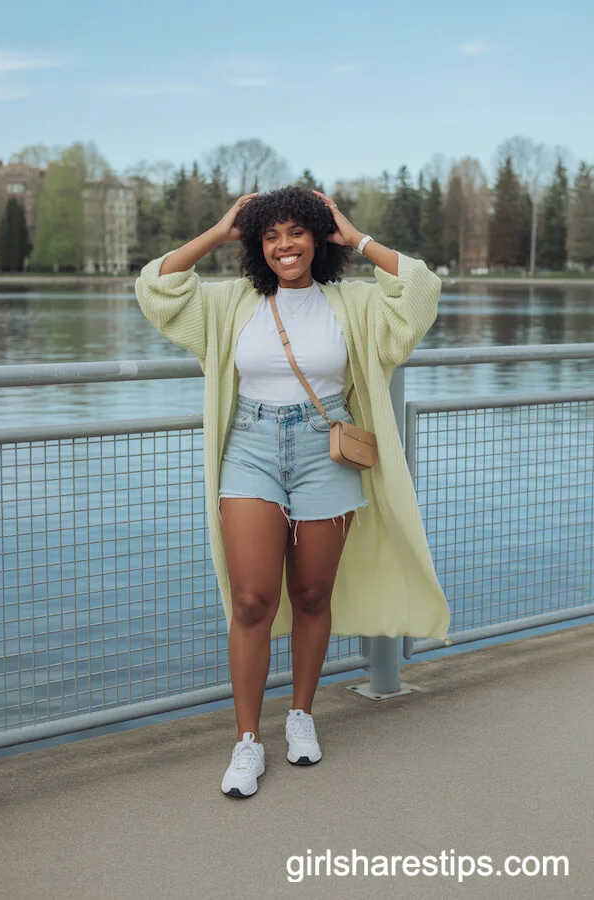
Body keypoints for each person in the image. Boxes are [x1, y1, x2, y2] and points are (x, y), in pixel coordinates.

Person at [135, 185, 450, 798]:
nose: (285, 246)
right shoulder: (231, 302)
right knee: (251, 599)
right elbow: (157, 284)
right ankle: (247, 742)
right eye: (270, 235)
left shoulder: (351, 303)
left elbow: (421, 289)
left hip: (323, 449)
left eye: (297, 232)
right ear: (257, 245)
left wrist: (354, 235)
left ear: (316, 237)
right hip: (249, 448)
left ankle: (301, 715)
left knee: (311, 592)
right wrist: (222, 228)